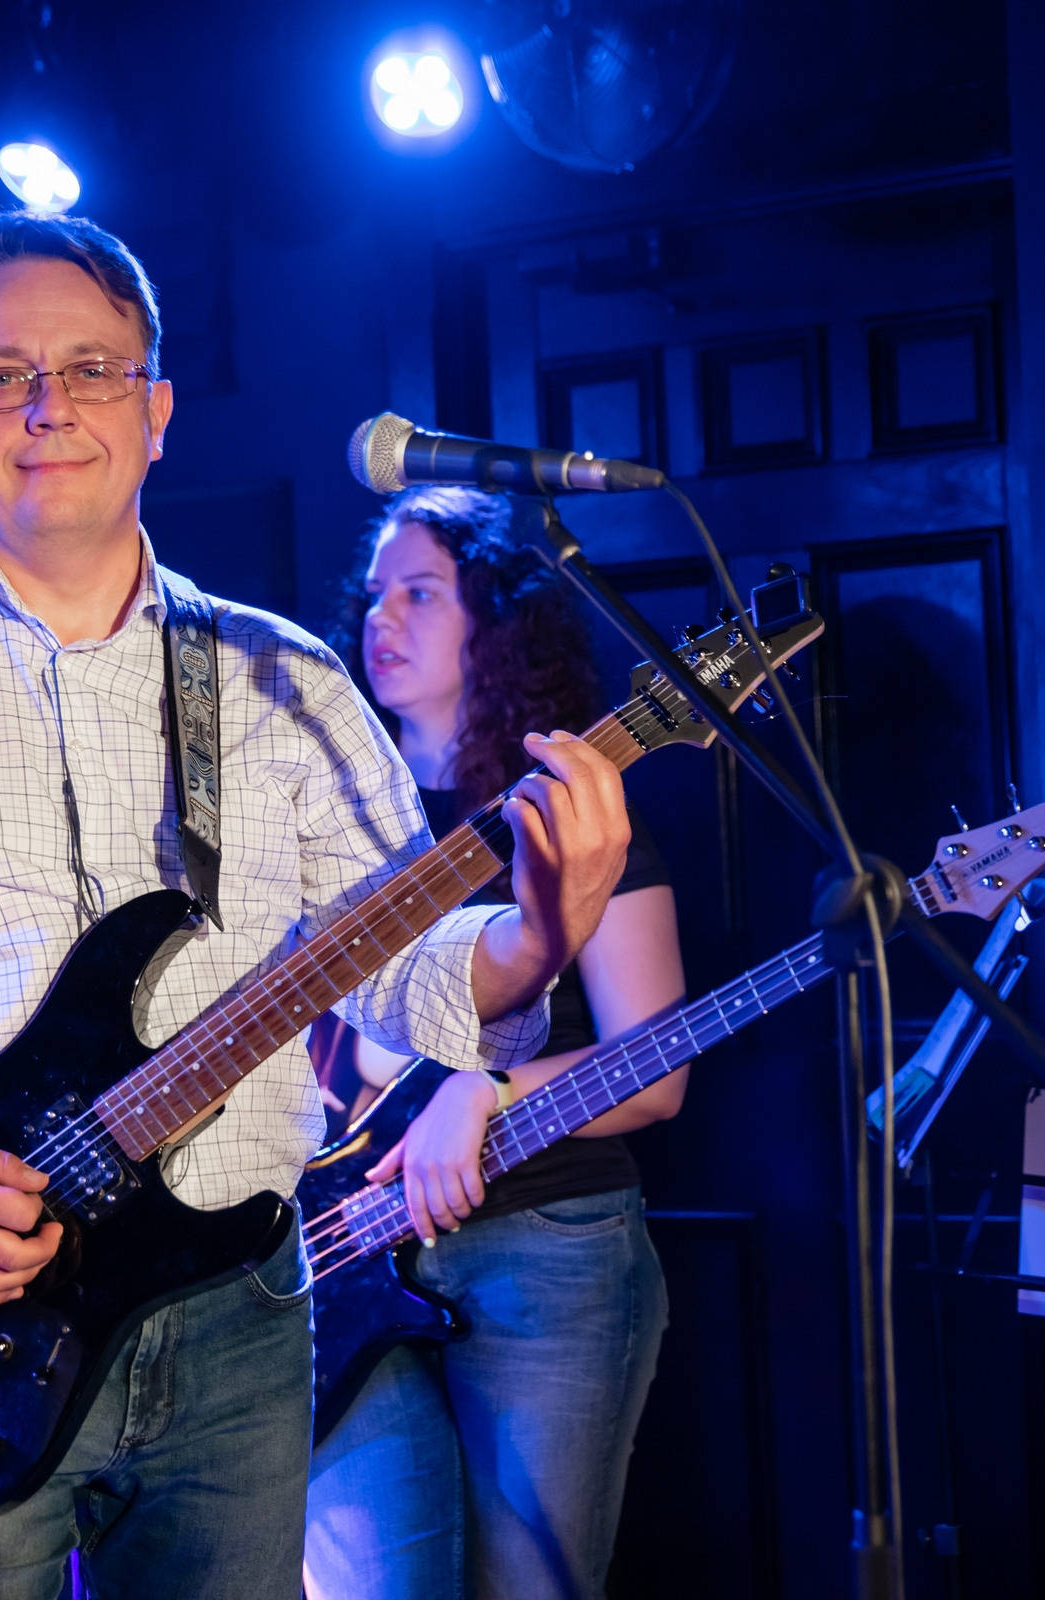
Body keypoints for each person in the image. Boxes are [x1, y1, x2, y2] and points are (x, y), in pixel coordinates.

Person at [0, 212, 633, 1600]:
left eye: (92, 369)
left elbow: (410, 976)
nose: (46, 406)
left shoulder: (289, 685)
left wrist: (540, 937)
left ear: (154, 413)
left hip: (235, 1315)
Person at [303, 487, 690, 1600]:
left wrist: (487, 1089)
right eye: (374, 594)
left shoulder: (567, 819)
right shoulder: (332, 826)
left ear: (497, 619)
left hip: (545, 1250)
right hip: (352, 1255)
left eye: (421, 591)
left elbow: (658, 1069)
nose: (383, 616)